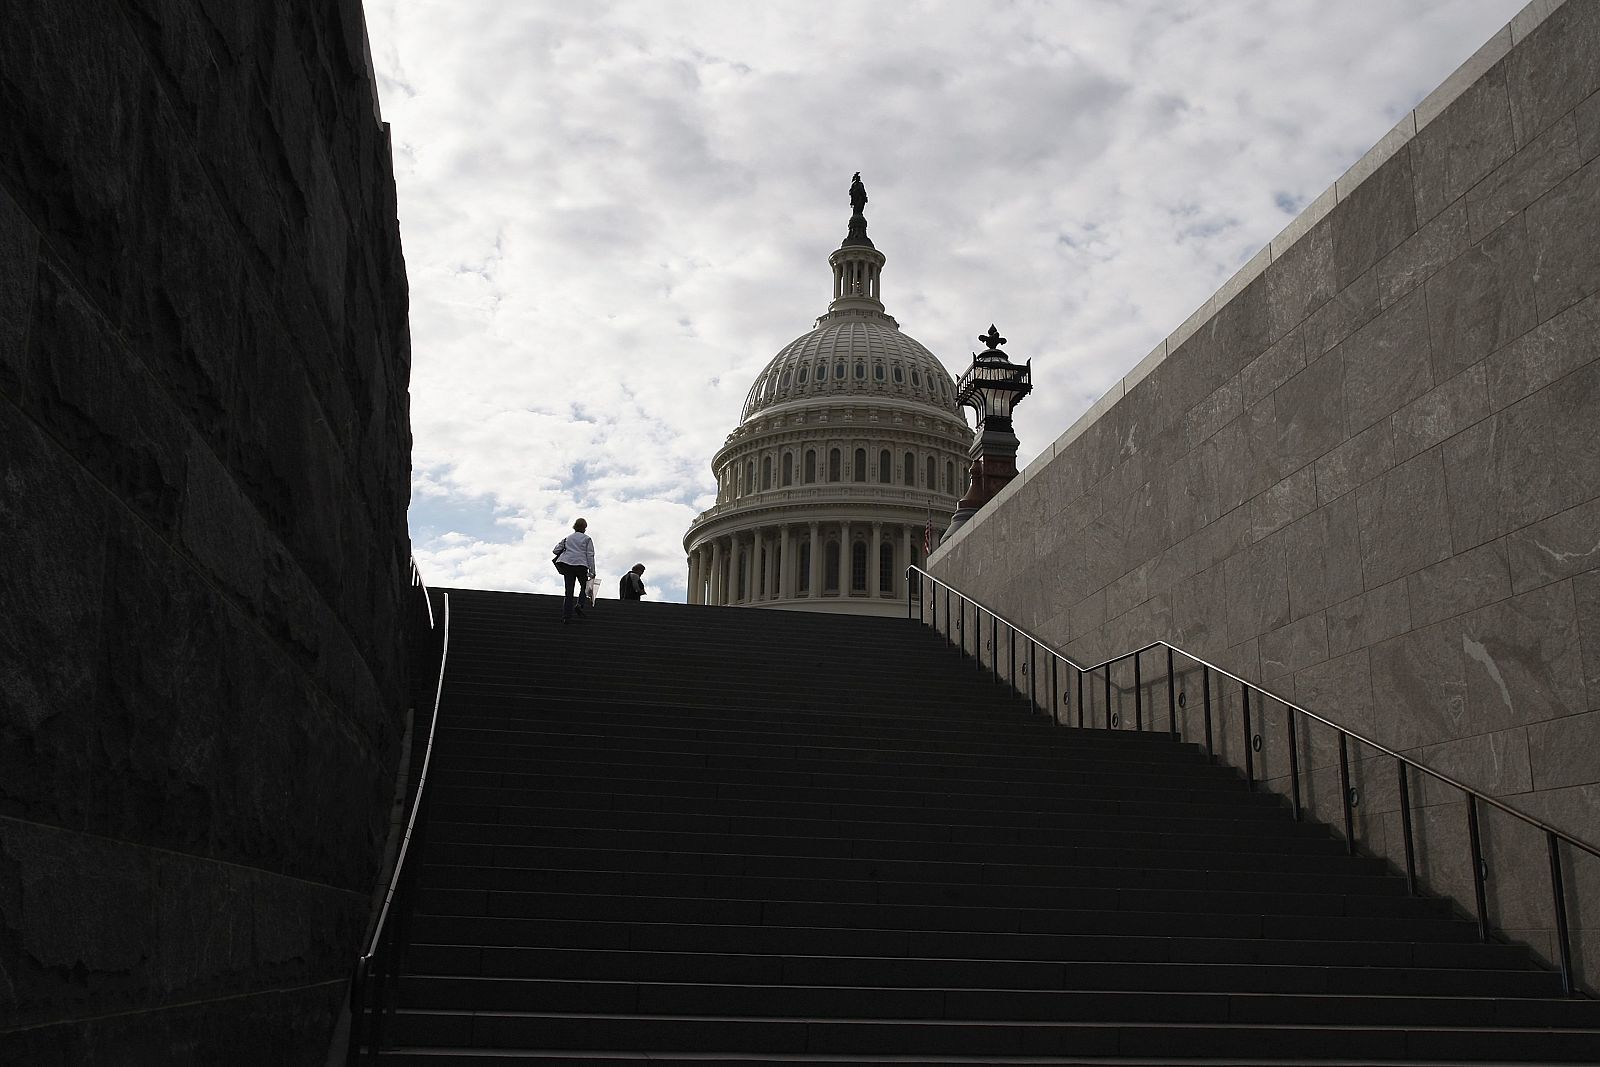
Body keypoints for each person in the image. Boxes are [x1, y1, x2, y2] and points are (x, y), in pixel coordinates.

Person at [552, 518, 596, 623]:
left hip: (568, 564)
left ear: (574, 526)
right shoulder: (587, 539)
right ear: (585, 528)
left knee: (569, 591)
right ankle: (580, 604)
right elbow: (590, 555)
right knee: (584, 587)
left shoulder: (567, 538)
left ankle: (566, 616)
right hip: (581, 565)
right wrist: (592, 571)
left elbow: (555, 550)